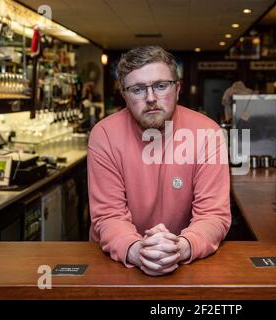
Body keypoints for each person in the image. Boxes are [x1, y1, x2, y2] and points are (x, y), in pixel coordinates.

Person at [87, 45, 231, 276]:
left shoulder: (208, 132)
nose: (151, 98)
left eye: (161, 86)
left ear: (178, 88)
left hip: (186, 261)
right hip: (117, 262)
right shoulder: (103, 134)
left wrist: (180, 248)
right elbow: (109, 215)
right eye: (137, 89)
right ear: (123, 94)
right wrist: (138, 251)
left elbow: (212, 215)